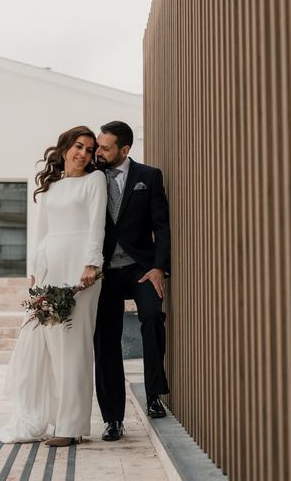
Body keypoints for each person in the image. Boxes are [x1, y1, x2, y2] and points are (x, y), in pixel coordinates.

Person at [0, 126, 107, 448]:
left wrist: (92, 264)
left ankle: (71, 427)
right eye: (78, 147)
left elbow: (96, 225)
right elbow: (42, 232)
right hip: (49, 270)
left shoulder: (94, 181)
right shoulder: (51, 186)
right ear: (64, 149)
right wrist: (34, 273)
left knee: (73, 349)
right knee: (48, 347)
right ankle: (53, 417)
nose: (84, 154)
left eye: (89, 150)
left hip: (80, 272)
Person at [93, 121, 171, 442]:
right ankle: (113, 418)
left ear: (124, 150)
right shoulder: (91, 177)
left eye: (105, 148)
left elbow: (161, 225)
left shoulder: (148, 177)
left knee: (152, 317)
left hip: (141, 268)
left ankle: (154, 395)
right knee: (105, 339)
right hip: (105, 273)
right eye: (98, 145)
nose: (98, 151)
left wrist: (159, 268)